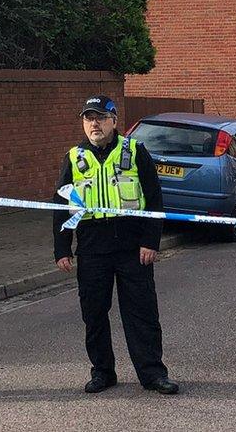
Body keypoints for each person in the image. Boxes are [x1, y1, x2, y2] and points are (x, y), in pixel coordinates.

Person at [53, 95, 179, 396]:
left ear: (113, 120)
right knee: (94, 314)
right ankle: (102, 372)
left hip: (132, 247)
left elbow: (154, 199)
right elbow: (60, 205)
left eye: (100, 117)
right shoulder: (73, 157)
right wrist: (61, 249)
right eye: (88, 118)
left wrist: (151, 241)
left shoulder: (135, 151)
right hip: (92, 247)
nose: (94, 123)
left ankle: (152, 374)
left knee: (141, 313)